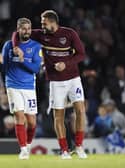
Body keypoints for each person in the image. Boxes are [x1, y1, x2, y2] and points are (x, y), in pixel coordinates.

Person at [12, 10, 87, 159]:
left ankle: (79, 147)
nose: (42, 25)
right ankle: (64, 150)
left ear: (53, 22)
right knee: (58, 116)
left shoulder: (69, 34)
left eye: (44, 22)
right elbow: (17, 33)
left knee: (80, 110)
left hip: (73, 78)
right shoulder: (40, 34)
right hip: (55, 81)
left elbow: (81, 54)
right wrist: (15, 47)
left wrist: (66, 63)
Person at [2, 18, 42, 159]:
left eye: (29, 28)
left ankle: (29, 144)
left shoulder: (36, 46)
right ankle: (23, 149)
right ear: (18, 29)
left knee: (31, 122)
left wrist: (22, 58)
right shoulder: (8, 45)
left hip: (29, 87)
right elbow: (5, 66)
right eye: (24, 28)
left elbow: (36, 68)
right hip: (13, 86)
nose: (26, 31)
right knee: (19, 116)